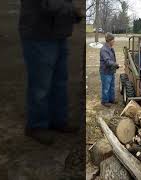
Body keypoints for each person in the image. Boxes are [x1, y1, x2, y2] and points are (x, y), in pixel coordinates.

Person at [19, 0, 83, 145]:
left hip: (58, 34)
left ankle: (58, 120)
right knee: (41, 86)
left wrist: (72, 14)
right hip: (38, 34)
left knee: (59, 82)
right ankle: (36, 126)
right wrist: (72, 9)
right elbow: (47, 4)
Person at [99, 33, 120, 107]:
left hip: (111, 71)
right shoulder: (104, 49)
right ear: (110, 40)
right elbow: (107, 61)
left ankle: (111, 99)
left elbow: (112, 60)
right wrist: (115, 64)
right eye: (113, 40)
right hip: (105, 72)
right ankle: (105, 101)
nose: (114, 41)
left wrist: (115, 66)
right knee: (106, 87)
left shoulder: (111, 48)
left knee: (112, 86)